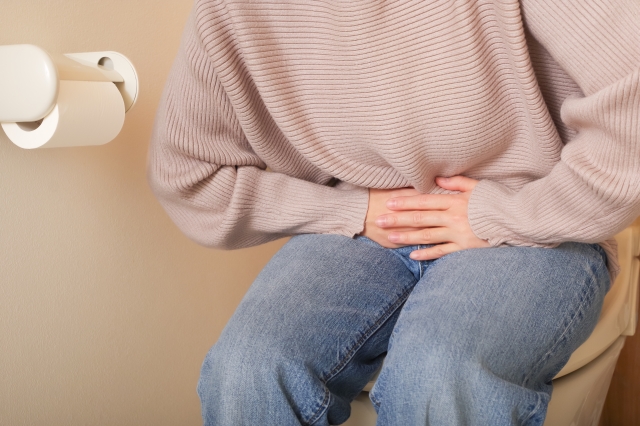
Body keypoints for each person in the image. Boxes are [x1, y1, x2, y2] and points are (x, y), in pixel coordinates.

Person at [148, 0, 639, 424]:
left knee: (442, 372)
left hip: (533, 214)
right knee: (247, 369)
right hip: (366, 223)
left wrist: (508, 214)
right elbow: (186, 173)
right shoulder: (232, 11)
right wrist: (351, 210)